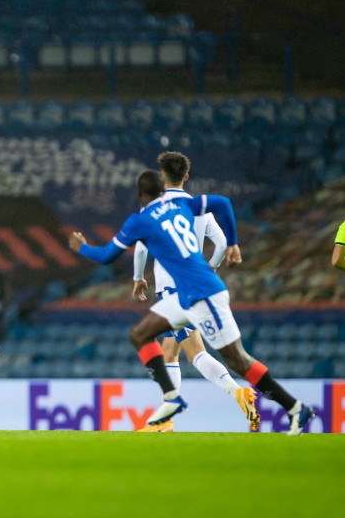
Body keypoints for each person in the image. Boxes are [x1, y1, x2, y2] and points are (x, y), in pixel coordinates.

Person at [69, 169, 315, 435]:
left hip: (200, 294)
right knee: (141, 333)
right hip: (184, 294)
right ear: (162, 190)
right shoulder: (182, 204)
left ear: (140, 195)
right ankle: (171, 400)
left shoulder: (140, 220)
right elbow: (223, 203)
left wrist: (80, 246)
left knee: (236, 359)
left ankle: (294, 407)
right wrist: (232, 243)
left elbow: (107, 255)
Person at [131, 151, 258, 432]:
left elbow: (141, 247)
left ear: (162, 176)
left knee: (195, 352)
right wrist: (210, 267)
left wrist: (139, 277)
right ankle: (166, 420)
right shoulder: (199, 207)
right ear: (186, 176)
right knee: (171, 352)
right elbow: (223, 243)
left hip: (173, 289)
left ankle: (237, 392)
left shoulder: (154, 208)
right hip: (191, 285)